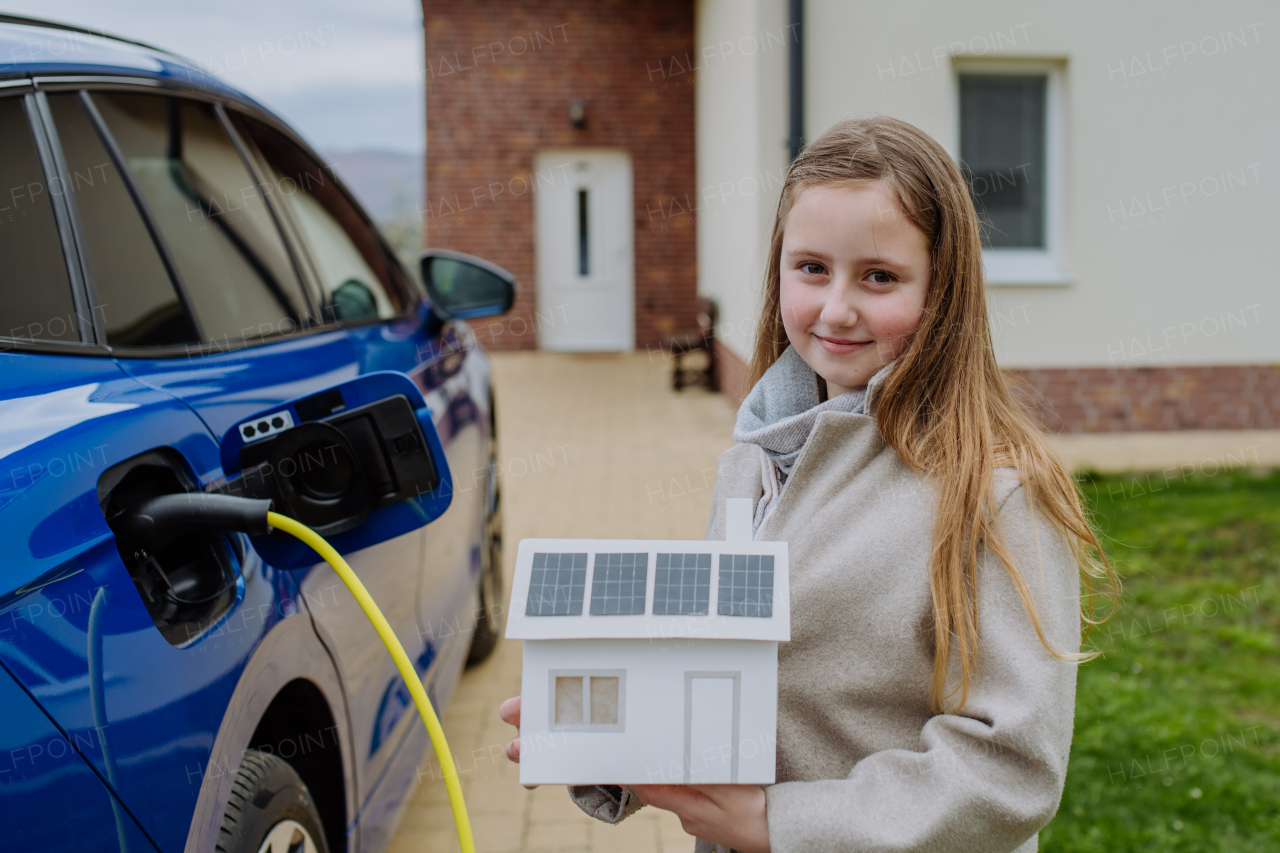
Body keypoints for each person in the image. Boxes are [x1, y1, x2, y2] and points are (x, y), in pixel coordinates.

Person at [498, 115, 1115, 853]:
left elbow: (1010, 769)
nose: (836, 308)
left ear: (943, 290)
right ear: (779, 270)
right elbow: (723, 673)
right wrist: (612, 743)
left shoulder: (995, 492)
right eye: (812, 268)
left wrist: (779, 824)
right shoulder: (749, 462)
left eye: (879, 277)